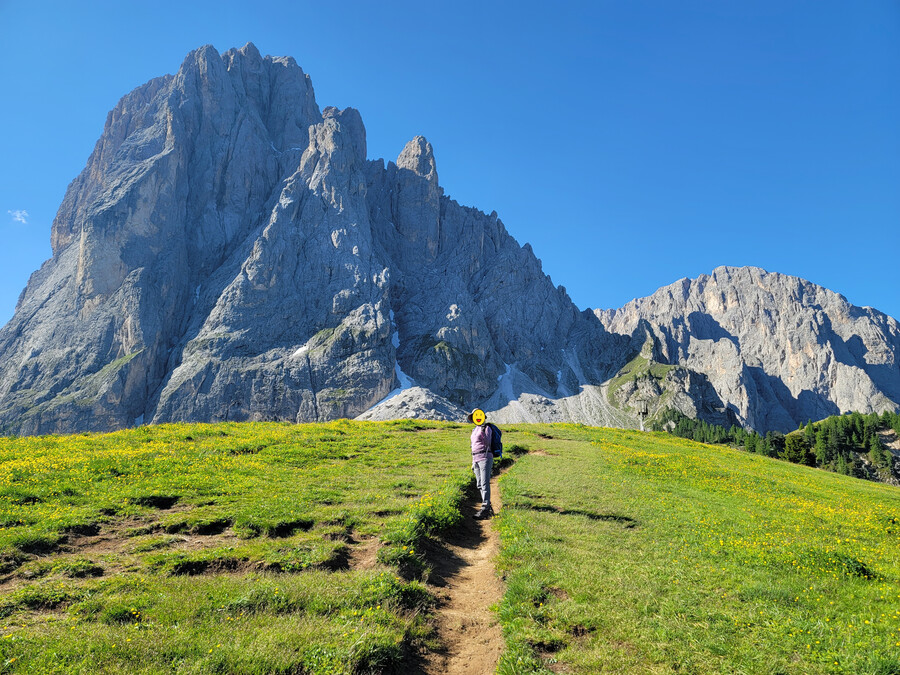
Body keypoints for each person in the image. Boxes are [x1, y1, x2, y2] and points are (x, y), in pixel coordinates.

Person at [467, 408, 494, 519]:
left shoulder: (486, 428)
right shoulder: (474, 430)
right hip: (476, 458)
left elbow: (488, 442)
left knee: (484, 483)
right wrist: (473, 461)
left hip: (485, 457)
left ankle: (485, 508)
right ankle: (488, 507)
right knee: (479, 483)